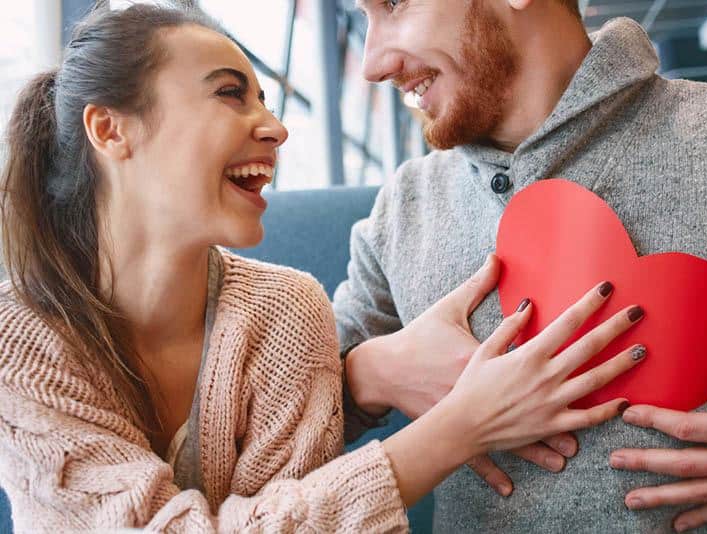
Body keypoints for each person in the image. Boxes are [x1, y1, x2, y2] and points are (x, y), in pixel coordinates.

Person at [0, 3, 649, 532]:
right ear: (111, 130)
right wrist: (458, 426)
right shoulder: (17, 340)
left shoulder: (287, 310)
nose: (276, 128)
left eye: (265, 97)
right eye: (231, 94)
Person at [335, 0, 707, 532]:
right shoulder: (401, 209)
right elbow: (270, 433)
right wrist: (371, 372)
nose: (372, 63)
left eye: (393, 3)